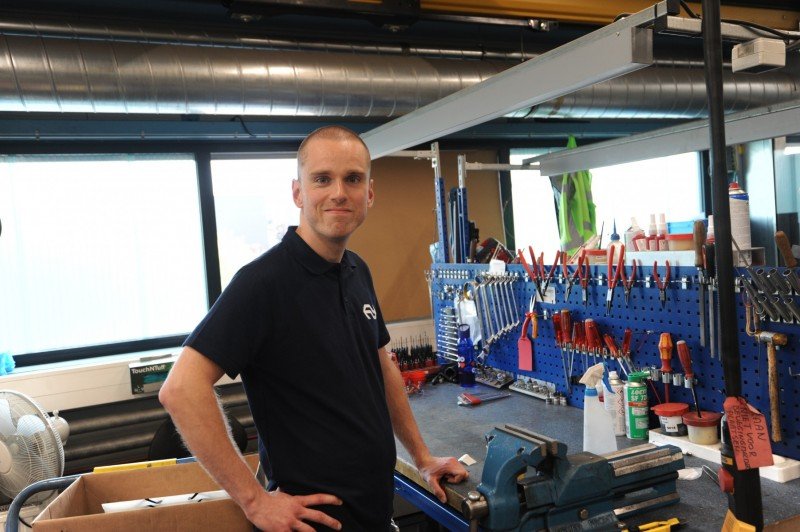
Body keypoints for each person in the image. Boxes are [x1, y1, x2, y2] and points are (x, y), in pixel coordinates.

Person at [159, 125, 468, 531]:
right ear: (298, 193)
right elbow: (180, 389)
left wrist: (422, 456)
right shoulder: (263, 283)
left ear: (369, 194)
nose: (339, 192)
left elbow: (382, 368)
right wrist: (254, 502)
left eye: (353, 179)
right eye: (322, 179)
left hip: (373, 514)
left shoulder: (358, 270)